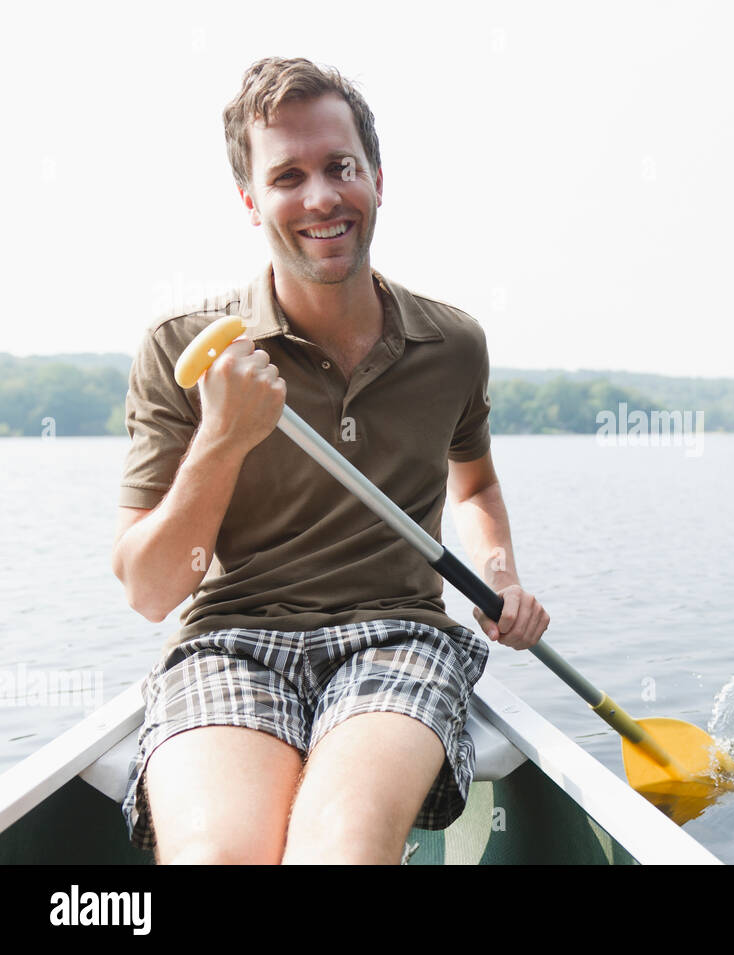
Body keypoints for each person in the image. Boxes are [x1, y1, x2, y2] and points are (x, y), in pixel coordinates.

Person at [110, 56, 549, 864]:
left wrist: (500, 571)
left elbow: (475, 479)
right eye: (288, 175)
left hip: (398, 637)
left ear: (378, 179)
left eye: (340, 167)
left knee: (342, 849)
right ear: (251, 199)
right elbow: (150, 589)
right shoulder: (184, 349)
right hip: (230, 640)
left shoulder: (452, 344)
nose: (320, 197)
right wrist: (224, 436)